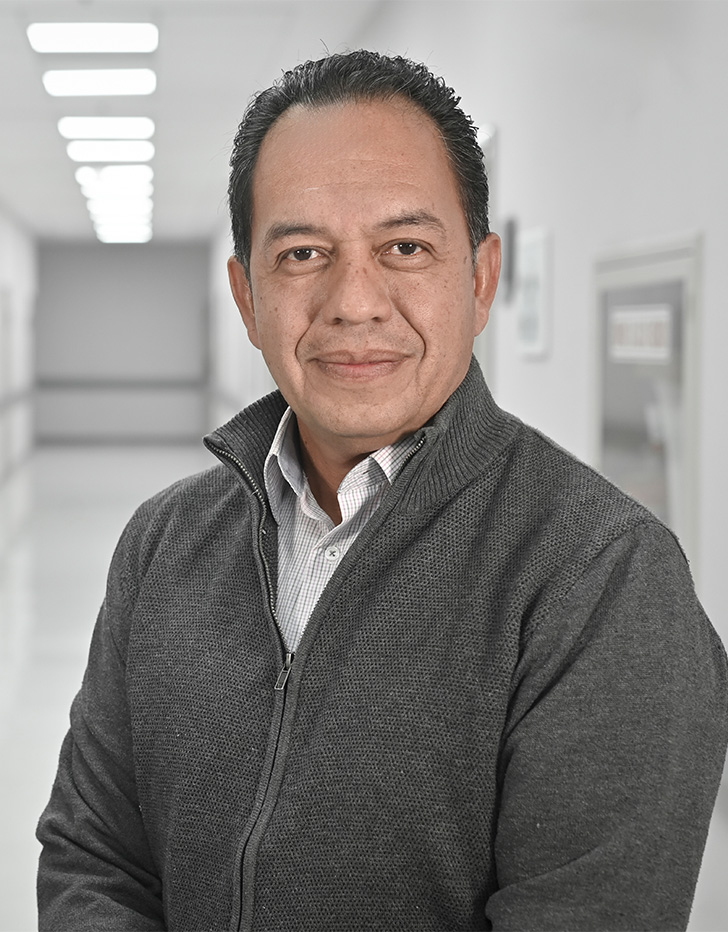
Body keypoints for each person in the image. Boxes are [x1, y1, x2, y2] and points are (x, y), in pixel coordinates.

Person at [37, 50, 728, 932]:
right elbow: (92, 856)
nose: (353, 301)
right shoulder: (163, 544)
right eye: (302, 253)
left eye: (405, 247)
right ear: (246, 296)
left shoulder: (602, 580)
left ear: (480, 279)